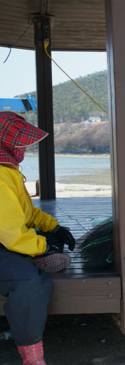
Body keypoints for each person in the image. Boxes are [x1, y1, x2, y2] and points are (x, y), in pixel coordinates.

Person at [0, 112, 76, 364]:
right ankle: (32, 357)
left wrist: (53, 227)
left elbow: (26, 212)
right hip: (5, 243)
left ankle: (38, 256)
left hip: (6, 241)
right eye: (19, 143)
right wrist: (43, 246)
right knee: (30, 284)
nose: (23, 148)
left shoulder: (7, 170)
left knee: (32, 254)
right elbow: (11, 233)